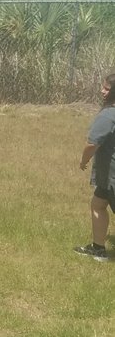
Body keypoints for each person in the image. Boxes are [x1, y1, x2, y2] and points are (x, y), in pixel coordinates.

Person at [75, 72, 115, 260]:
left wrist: (83, 161)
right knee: (98, 204)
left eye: (107, 88)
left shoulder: (108, 116)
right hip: (107, 180)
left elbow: (92, 144)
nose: (102, 91)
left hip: (111, 176)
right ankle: (98, 249)